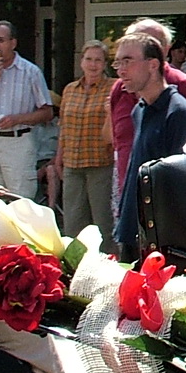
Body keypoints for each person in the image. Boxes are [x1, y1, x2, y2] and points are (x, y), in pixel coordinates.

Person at [112, 34, 186, 261]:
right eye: (117, 62)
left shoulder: (178, 112)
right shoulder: (139, 109)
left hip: (160, 242)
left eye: (127, 61)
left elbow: (182, 187)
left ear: (153, 64)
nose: (120, 70)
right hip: (132, 230)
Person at [0, 21, 53, 191]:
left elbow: (47, 112)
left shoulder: (30, 72)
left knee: (20, 198)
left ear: (13, 43)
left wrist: (17, 119)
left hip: (18, 141)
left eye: (0, 41)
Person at [54, 41, 115, 242]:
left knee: (102, 223)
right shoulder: (70, 89)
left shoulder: (114, 88)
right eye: (89, 59)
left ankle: (108, 265)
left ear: (105, 63)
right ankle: (74, 269)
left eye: (98, 60)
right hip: (72, 164)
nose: (93, 64)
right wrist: (58, 158)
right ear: (81, 61)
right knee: (72, 224)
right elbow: (64, 126)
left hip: (100, 163)